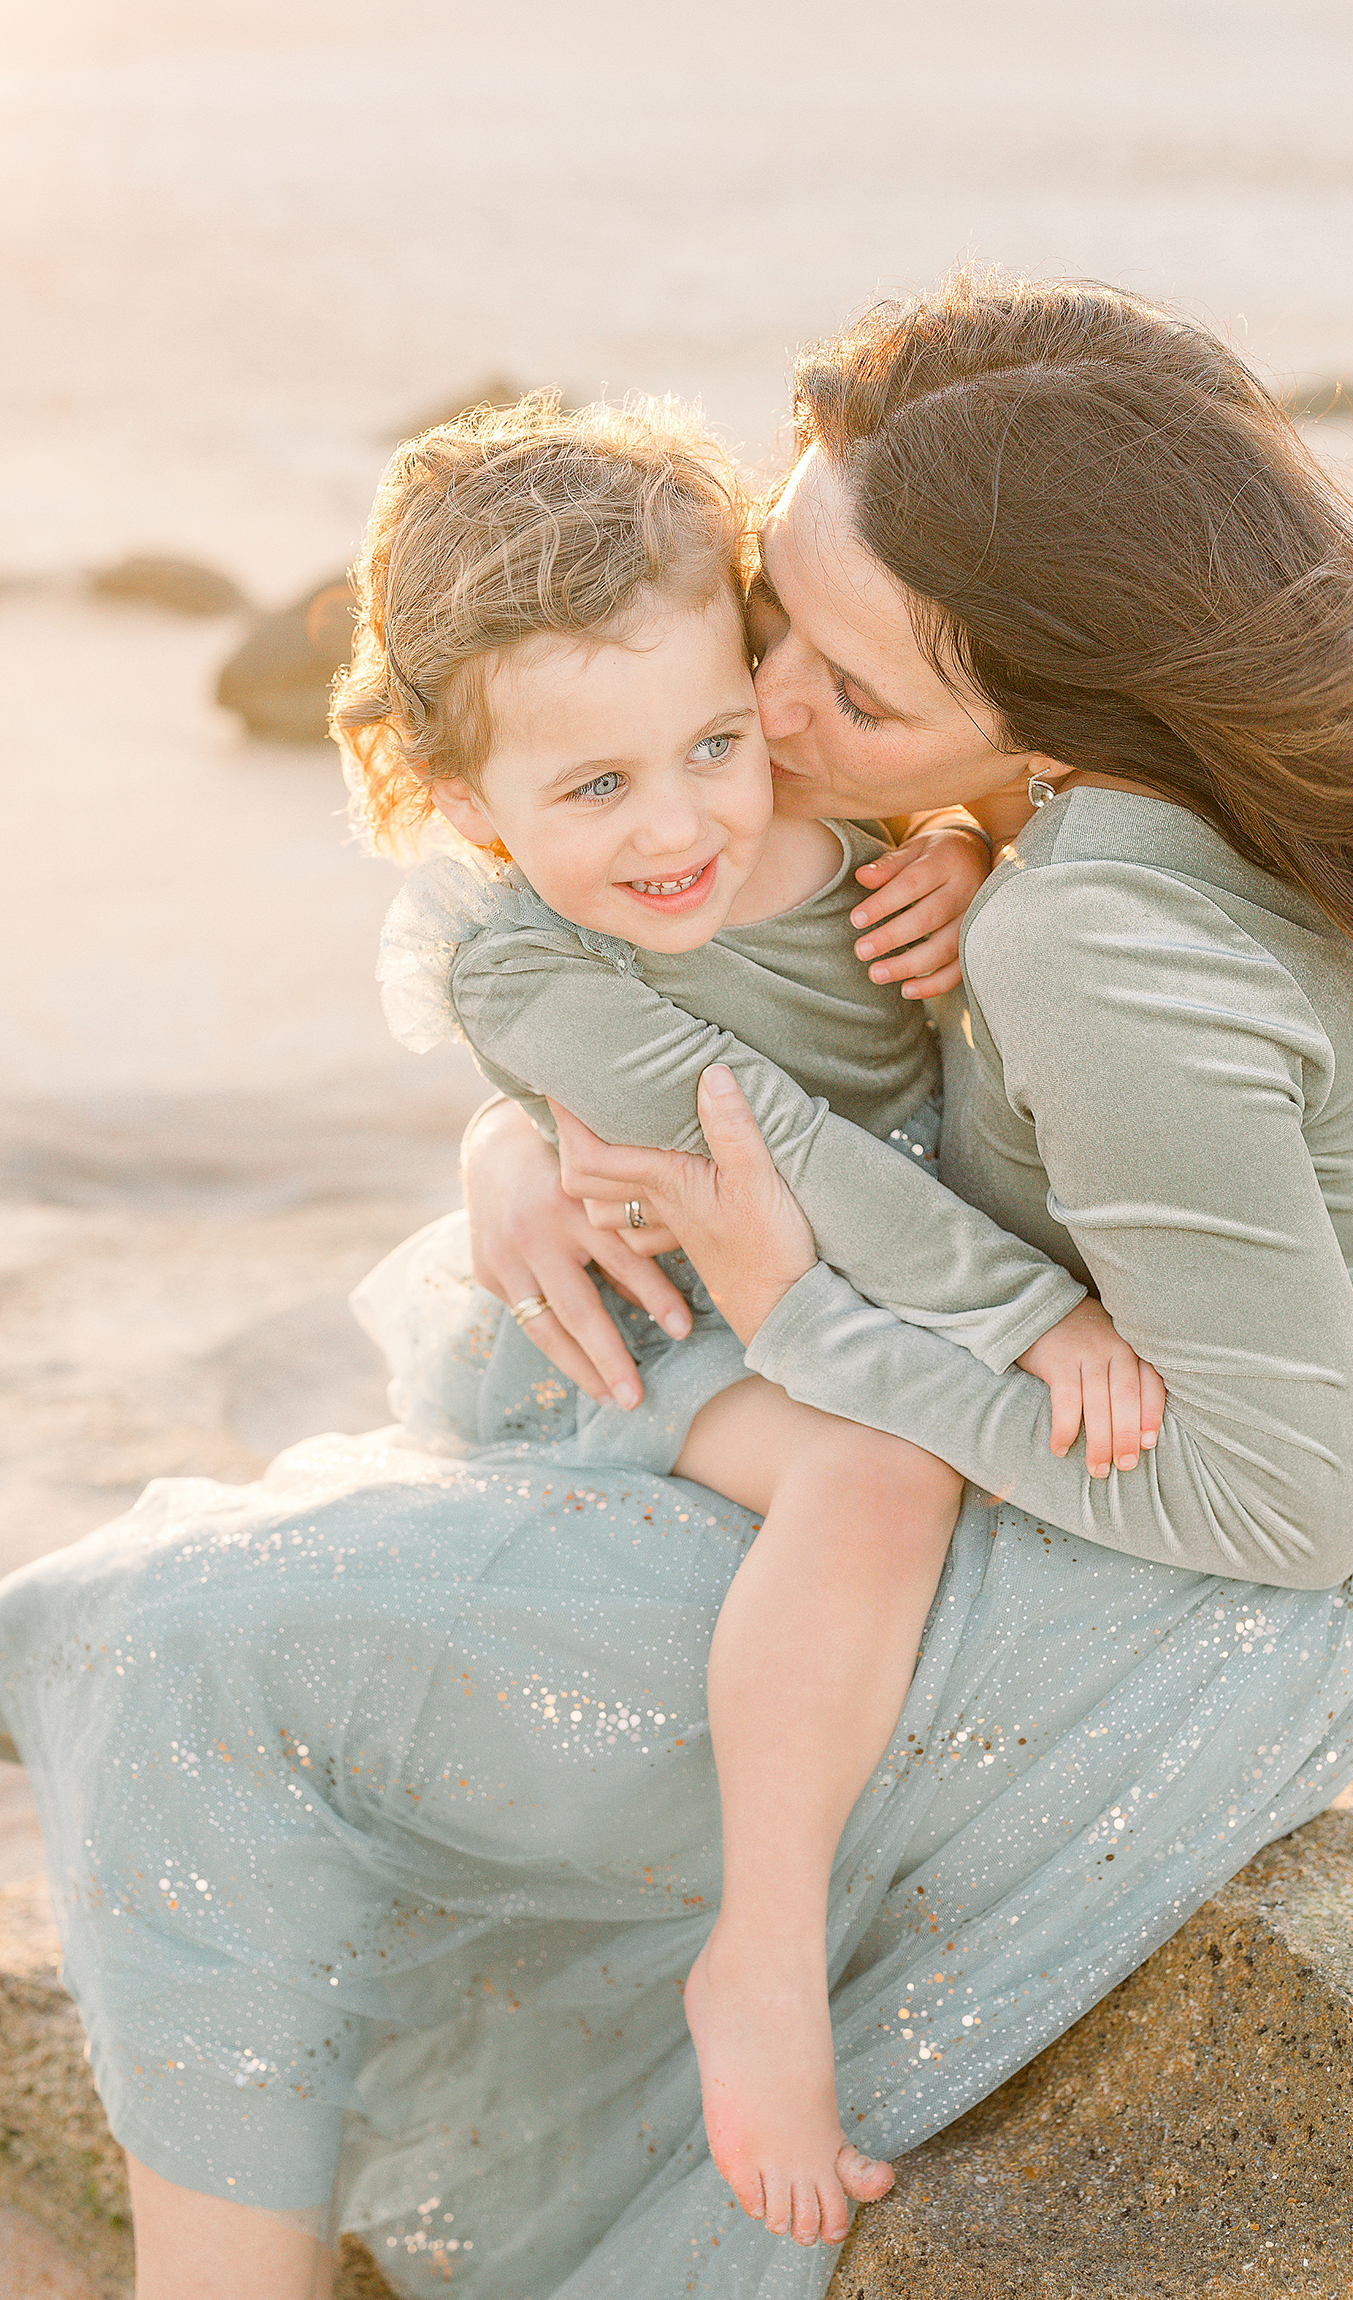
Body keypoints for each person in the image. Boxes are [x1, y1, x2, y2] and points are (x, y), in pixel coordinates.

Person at [1, 270, 1353, 2300]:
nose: (776, 726)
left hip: (1146, 1565)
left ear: (1058, 697)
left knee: (193, 1649)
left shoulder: (1086, 929)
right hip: (1050, 1420)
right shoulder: (1114, 803)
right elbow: (704, 1027)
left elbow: (1276, 1497)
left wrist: (807, 1324)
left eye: (844, 689)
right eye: (769, 618)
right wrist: (518, 1135)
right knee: (228, 1618)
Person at [332, 391, 1164, 2237]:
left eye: (712, 740)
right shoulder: (522, 952)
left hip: (859, 1264)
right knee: (882, 1472)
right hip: (670, 1311)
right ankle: (760, 1963)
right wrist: (1033, 1321)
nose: (680, 823)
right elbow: (777, 1155)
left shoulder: (809, 803)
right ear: (463, 803)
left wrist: (965, 867)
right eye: (594, 788)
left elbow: (956, 816)